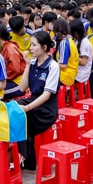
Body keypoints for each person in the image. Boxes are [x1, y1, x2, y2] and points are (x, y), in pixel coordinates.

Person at [16, 31, 60, 170]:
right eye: (30, 45)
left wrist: (27, 108)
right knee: (12, 109)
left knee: (22, 116)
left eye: (34, 45)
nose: (31, 48)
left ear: (44, 47)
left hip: (46, 109)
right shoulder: (33, 63)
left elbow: (46, 95)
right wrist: (27, 65)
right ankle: (24, 156)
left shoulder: (53, 66)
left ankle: (23, 156)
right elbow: (22, 88)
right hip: (33, 101)